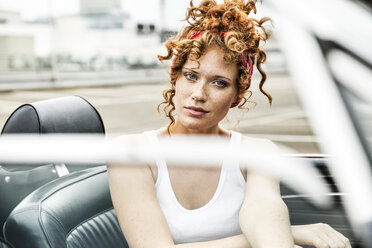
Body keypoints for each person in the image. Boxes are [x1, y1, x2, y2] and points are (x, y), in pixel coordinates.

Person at [107, 0, 351, 247]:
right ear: (175, 78)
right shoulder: (131, 152)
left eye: (219, 83)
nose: (199, 93)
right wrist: (288, 233)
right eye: (191, 76)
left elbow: (265, 217)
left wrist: (278, 235)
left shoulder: (258, 153)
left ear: (237, 95)